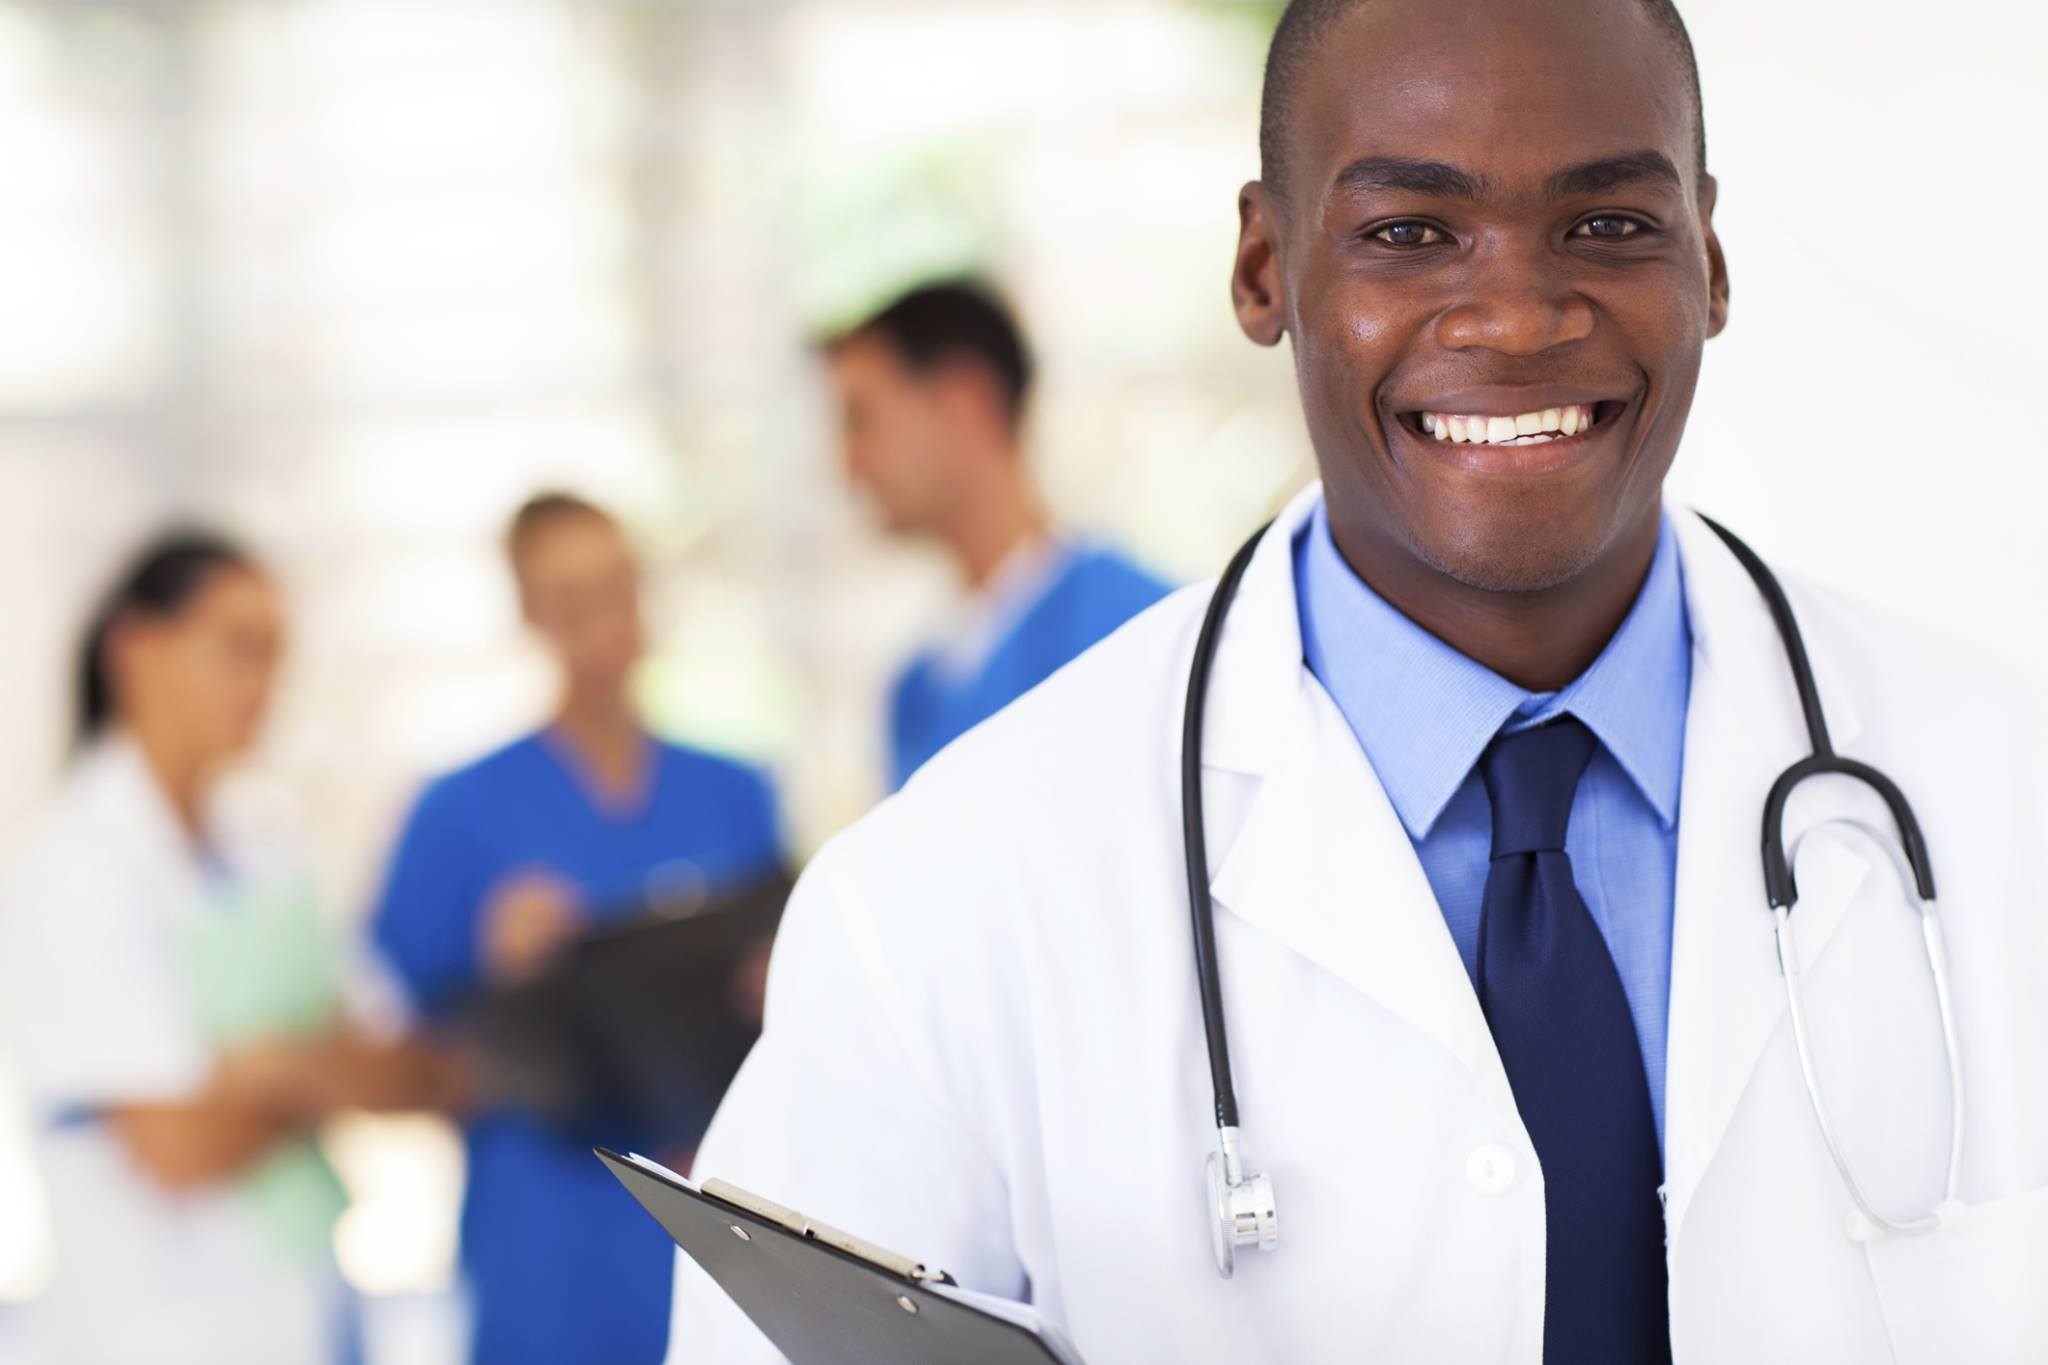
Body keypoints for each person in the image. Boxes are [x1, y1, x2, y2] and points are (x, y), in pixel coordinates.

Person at [666, 1, 2048, 1361]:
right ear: (1265, 269)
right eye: (1410, 232)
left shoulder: (2001, 789)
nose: (1516, 315)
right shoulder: (945, 899)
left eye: (1609, 223)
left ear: (1713, 256)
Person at [0, 532, 466, 1365]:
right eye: (238, 649)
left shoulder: (267, 840)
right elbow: (180, 1145)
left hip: (311, 1315)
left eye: (277, 656)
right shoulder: (74, 865)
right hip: (156, 1335)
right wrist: (319, 1063)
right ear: (134, 648)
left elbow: (413, 1071)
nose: (264, 685)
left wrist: (262, 1069)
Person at [371, 493, 784, 1365]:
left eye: (616, 586)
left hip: (715, 1235)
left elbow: (793, 1020)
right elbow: (399, 1058)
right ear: (528, 611)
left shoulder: (737, 793)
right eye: (568, 596)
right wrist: (502, 978)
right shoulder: (457, 815)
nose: (601, 619)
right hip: (546, 1253)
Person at [823, 281, 1171, 788]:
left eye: (862, 419)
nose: (847, 463)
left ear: (966, 402)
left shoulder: (1144, 631)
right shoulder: (916, 693)